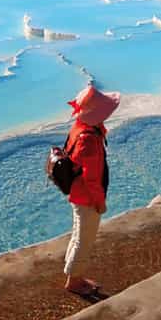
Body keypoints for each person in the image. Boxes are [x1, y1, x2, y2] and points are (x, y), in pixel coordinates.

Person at [62, 84, 119, 295]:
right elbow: (92, 178)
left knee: (78, 234)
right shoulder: (89, 139)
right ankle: (74, 282)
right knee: (84, 240)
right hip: (86, 198)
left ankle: (72, 271)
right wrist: (100, 203)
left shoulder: (80, 127)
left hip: (77, 194)